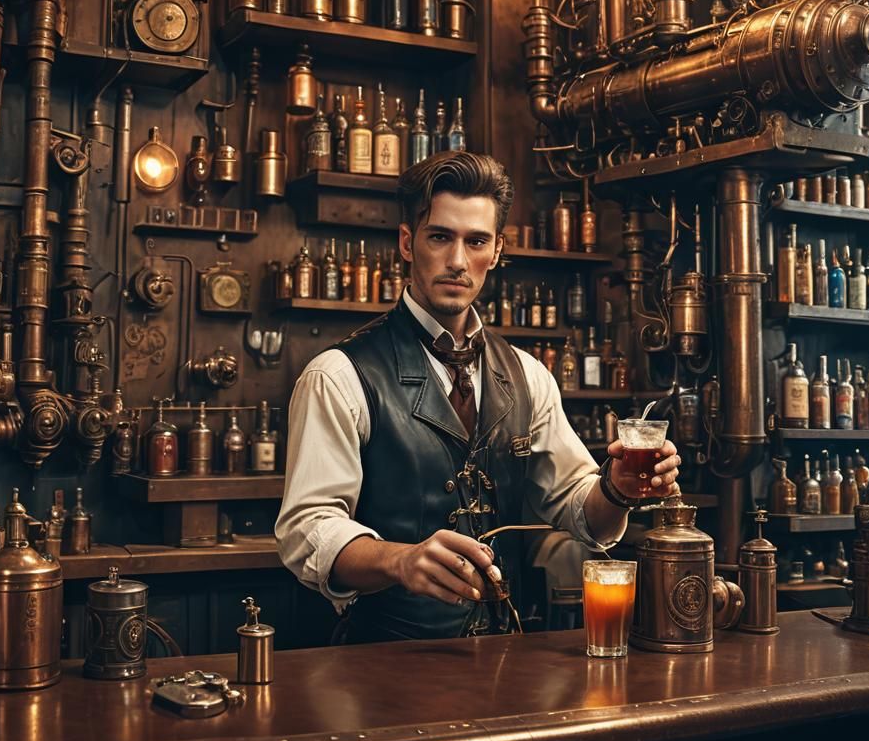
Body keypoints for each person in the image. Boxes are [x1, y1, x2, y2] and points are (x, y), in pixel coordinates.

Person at [276, 152, 679, 643]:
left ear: (497, 250)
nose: (458, 261)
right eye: (440, 237)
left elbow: (580, 511)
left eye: (476, 241)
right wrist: (398, 559)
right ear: (408, 243)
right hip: (380, 663)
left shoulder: (529, 376)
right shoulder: (339, 376)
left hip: (504, 656)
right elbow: (308, 531)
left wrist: (616, 488)